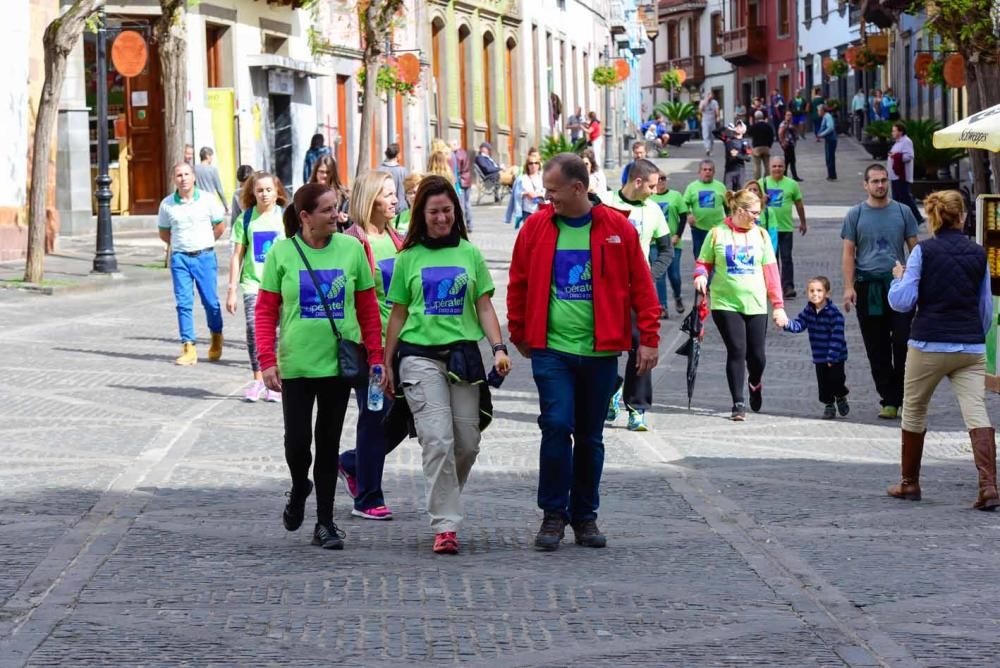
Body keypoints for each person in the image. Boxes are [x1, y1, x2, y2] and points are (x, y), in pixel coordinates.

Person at [507, 153, 660, 551]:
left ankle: (585, 516)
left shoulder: (616, 228)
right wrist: (520, 331)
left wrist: (649, 337)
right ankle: (553, 515)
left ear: (579, 188)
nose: (548, 198)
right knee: (556, 425)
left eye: (554, 191)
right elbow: (518, 281)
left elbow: (642, 286)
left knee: (591, 436)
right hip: (552, 349)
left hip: (600, 352)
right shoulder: (536, 227)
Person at [382, 175, 511, 555]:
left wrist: (499, 348)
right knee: (437, 440)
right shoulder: (408, 259)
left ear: (456, 212)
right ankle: (446, 525)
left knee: (467, 443)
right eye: (434, 212)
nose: (442, 218)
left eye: (447, 211)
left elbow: (484, 305)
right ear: (421, 214)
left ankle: (445, 499)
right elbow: (398, 314)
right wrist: (387, 362)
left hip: (463, 357)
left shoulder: (469, 254)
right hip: (419, 357)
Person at [254, 183, 385, 550]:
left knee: (327, 444)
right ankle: (299, 487)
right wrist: (267, 361)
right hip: (296, 364)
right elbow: (265, 311)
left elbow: (367, 309)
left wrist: (375, 356)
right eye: (327, 210)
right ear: (305, 217)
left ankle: (325, 523)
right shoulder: (282, 253)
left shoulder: (352, 249)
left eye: (337, 208)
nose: (336, 215)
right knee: (298, 444)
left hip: (337, 365)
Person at [886, 190, 998, 509]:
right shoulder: (979, 253)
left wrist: (899, 277)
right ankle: (988, 486)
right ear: (963, 216)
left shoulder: (923, 252)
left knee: (915, 408)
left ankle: (909, 482)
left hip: (928, 343)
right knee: (976, 411)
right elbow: (985, 308)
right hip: (970, 346)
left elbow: (903, 301)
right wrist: (974, 333)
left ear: (935, 216)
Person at [337, 171, 404, 521]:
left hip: (401, 344)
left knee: (405, 416)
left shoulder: (397, 240)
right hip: (370, 349)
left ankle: (350, 462)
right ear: (369, 200)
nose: (395, 200)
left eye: (395, 194)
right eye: (387, 195)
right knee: (374, 417)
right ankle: (368, 497)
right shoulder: (352, 242)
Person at [694, 188, 787, 421]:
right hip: (725, 302)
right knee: (737, 350)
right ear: (739, 210)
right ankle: (738, 402)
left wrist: (778, 305)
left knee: (757, 357)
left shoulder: (762, 236)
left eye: (759, 213)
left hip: (756, 303)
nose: (758, 216)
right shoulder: (717, 233)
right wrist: (701, 275)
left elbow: (772, 273)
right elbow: (703, 262)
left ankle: (755, 382)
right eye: (754, 212)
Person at [599, 159, 673, 432]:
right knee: (601, 349)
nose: (656, 191)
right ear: (638, 181)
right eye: (652, 186)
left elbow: (667, 251)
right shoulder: (604, 202)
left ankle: (636, 408)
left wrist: (648, 276)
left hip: (637, 292)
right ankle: (611, 388)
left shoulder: (654, 211)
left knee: (641, 346)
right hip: (604, 289)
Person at [841, 164, 919, 419]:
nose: (880, 185)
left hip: (899, 286)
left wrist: (917, 281)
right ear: (865, 184)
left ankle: (903, 395)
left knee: (903, 342)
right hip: (868, 287)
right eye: (874, 181)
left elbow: (915, 250)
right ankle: (889, 399)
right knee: (877, 347)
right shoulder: (855, 215)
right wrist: (849, 287)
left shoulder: (903, 211)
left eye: (883, 180)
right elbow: (848, 253)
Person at [226, 171, 288, 402]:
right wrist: (231, 289)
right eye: (260, 190)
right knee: (255, 330)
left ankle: (276, 381)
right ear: (252, 192)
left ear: (277, 192)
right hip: (253, 283)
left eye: (268, 190)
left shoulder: (284, 217)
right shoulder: (246, 219)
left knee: (280, 333)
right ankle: (259, 379)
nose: (264, 194)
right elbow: (237, 256)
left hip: (281, 285)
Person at [157, 162, 226, 366]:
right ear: (174, 179)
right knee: (183, 303)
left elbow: (220, 227)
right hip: (180, 258)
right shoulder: (167, 204)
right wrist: (180, 244)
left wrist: (204, 241)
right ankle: (188, 346)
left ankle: (216, 337)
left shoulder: (208, 200)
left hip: (204, 256)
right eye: (179, 175)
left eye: (187, 174)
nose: (183, 178)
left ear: (194, 177)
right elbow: (164, 232)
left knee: (210, 302)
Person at [783, 276, 850, 419]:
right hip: (819, 355)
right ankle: (829, 405)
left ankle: (841, 395)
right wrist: (786, 324)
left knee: (837, 379)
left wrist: (832, 356)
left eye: (819, 290)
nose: (815, 294)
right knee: (824, 384)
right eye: (812, 291)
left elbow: (837, 337)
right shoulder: (808, 311)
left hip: (836, 356)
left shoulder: (834, 314)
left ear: (827, 293)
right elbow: (799, 324)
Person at [759, 156, 807, 299]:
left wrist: (803, 222)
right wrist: (762, 200)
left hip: (786, 228)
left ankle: (788, 287)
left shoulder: (792, 184)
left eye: (780, 166)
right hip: (767, 228)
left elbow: (799, 204)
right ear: (769, 167)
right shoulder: (762, 183)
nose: (777, 169)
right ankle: (772, 286)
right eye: (774, 166)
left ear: (785, 167)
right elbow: (751, 203)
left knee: (786, 258)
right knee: (770, 259)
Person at [649, 171, 689, 315]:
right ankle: (662, 306)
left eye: (663, 179)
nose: (660, 182)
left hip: (672, 242)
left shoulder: (676, 196)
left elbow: (683, 216)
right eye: (658, 179)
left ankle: (677, 297)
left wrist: (678, 235)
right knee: (659, 274)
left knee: (675, 275)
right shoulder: (649, 197)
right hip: (654, 242)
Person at [683, 160, 729, 260]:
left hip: (717, 229)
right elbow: (684, 204)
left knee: (717, 257)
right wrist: (689, 214)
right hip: (698, 228)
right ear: (699, 172)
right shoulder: (692, 187)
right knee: (700, 257)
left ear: (714, 172)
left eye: (710, 170)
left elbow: (728, 206)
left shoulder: (720, 186)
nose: (707, 172)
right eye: (704, 169)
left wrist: (729, 222)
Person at [888, 122, 924, 225]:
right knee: (897, 198)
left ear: (901, 131)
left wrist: (896, 156)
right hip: (895, 175)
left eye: (894, 131)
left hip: (901, 175)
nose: (892, 133)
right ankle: (900, 218)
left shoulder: (906, 141)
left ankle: (917, 217)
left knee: (905, 198)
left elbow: (909, 156)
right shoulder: (898, 142)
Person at [308, 153, 350, 230]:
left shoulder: (343, 195)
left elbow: (351, 222)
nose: (324, 175)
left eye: (328, 172)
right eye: (321, 171)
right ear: (316, 172)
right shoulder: (307, 193)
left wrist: (344, 218)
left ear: (333, 173)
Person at [744, 180, 776, 253]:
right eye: (749, 190)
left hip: (763, 252)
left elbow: (773, 235)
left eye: (755, 190)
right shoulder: (740, 211)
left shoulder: (768, 212)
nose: (752, 192)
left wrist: (771, 254)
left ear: (760, 194)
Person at [514, 152, 545, 230]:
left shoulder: (543, 177)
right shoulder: (522, 178)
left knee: (540, 232)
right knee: (529, 233)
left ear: (539, 165)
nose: (533, 165)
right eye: (531, 163)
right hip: (527, 210)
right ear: (527, 165)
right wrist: (526, 193)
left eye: (536, 163)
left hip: (541, 209)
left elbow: (548, 191)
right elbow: (517, 194)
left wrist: (538, 194)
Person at [194, 147, 228, 214]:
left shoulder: (194, 169)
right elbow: (219, 189)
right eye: (211, 156)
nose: (212, 158)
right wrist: (225, 205)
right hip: (210, 201)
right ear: (207, 156)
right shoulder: (213, 170)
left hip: (197, 201)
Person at [449, 139, 474, 231]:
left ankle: (462, 225)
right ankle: (469, 224)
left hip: (461, 181)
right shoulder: (463, 152)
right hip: (467, 180)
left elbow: (457, 170)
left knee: (462, 204)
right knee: (467, 203)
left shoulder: (455, 155)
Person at [722, 121, 751, 190]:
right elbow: (715, 132)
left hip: (740, 170)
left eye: (740, 126)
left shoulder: (745, 142)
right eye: (737, 126)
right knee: (727, 192)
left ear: (743, 130)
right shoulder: (728, 140)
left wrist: (737, 154)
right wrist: (726, 129)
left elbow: (748, 158)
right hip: (729, 170)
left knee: (739, 192)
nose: (737, 127)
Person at [381, 143, 409, 213]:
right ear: (398, 155)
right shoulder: (403, 171)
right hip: (402, 211)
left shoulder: (379, 171)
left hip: (384, 209)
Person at [748, 111, 774, 181]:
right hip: (766, 147)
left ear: (755, 118)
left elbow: (749, 133)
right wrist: (769, 145)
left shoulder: (754, 126)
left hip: (757, 147)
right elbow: (772, 136)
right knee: (767, 165)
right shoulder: (767, 126)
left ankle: (757, 180)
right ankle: (767, 179)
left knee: (757, 165)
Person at [777, 111, 802, 182]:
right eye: (787, 115)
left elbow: (794, 132)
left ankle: (786, 176)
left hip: (791, 144)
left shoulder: (790, 123)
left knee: (788, 161)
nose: (789, 116)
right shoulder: (784, 124)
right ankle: (792, 176)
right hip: (787, 145)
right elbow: (780, 133)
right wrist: (783, 143)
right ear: (785, 116)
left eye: (790, 115)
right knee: (791, 161)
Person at [816, 105, 838, 181]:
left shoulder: (827, 116)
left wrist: (822, 134)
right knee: (829, 157)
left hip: (831, 139)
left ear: (822, 111)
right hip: (829, 139)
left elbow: (830, 127)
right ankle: (831, 175)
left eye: (818, 110)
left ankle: (832, 175)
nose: (818, 112)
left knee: (830, 157)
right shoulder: (825, 117)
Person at [229, 164, 255, 228]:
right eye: (242, 185)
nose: (245, 188)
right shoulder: (237, 194)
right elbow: (235, 218)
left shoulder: (261, 191)